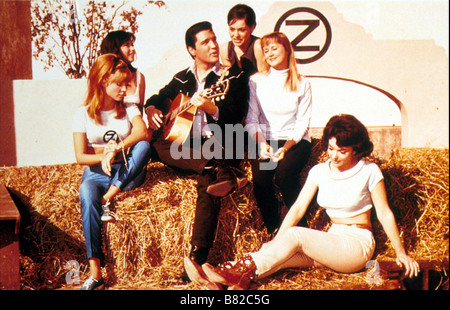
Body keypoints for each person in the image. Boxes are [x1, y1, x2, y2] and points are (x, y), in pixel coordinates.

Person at [184, 114, 420, 290]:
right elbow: (297, 208)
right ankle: (221, 280)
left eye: (342, 151)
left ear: (357, 151)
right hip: (331, 239)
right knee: (279, 256)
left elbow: (385, 213)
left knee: (296, 235)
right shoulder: (319, 171)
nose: (333, 155)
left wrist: (401, 252)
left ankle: (230, 271)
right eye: (330, 148)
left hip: (356, 246)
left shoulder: (369, 171)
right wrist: (276, 241)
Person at [144, 22, 249, 273]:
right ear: (192, 50)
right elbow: (158, 97)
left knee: (207, 181)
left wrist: (212, 108)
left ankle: (197, 258)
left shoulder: (231, 77)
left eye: (214, 39)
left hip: (222, 140)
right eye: (205, 42)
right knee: (155, 142)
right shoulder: (183, 77)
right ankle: (219, 169)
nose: (214, 45)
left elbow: (237, 114)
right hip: (192, 146)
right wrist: (150, 109)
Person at [73, 54, 151, 290]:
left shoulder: (129, 108)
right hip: (97, 173)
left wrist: (115, 148)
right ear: (103, 81)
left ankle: (108, 197)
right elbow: (80, 157)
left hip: (127, 171)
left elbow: (142, 133)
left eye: (127, 83)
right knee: (86, 194)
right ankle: (95, 271)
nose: (124, 89)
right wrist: (103, 156)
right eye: (119, 84)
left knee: (145, 147)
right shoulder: (83, 114)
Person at [245, 32, 312, 234]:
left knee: (285, 176)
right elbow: (251, 119)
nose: (270, 54)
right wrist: (262, 144)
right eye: (266, 51)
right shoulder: (256, 81)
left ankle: (302, 231)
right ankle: (274, 231)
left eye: (274, 48)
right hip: (266, 140)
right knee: (261, 179)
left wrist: (286, 148)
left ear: (287, 49)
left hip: (295, 140)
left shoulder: (302, 82)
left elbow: (303, 122)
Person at [100, 30, 146, 114]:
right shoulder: (104, 76)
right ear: (115, 48)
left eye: (132, 44)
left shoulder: (139, 77)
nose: (132, 49)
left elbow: (140, 112)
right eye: (127, 45)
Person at [220, 4, 267, 78]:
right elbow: (229, 80)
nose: (236, 35)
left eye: (241, 30)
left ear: (252, 28)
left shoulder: (258, 46)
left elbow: (264, 79)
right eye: (232, 29)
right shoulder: (225, 49)